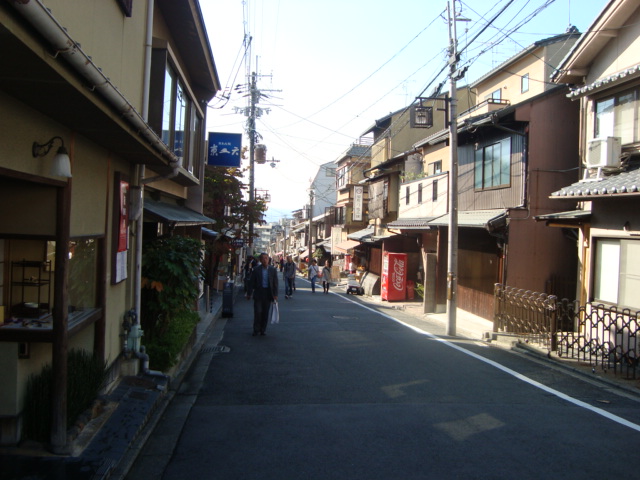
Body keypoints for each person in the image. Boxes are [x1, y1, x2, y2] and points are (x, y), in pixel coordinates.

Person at [246, 253, 279, 336]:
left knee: (265, 312)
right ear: (260, 260)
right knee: (258, 312)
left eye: (266, 258)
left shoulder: (272, 270)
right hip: (258, 293)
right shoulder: (256, 269)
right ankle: (256, 329)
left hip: (268, 293)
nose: (265, 260)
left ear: (268, 260)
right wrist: (249, 293)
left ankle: (263, 329)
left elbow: (275, 283)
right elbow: (251, 282)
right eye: (263, 258)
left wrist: (275, 294)